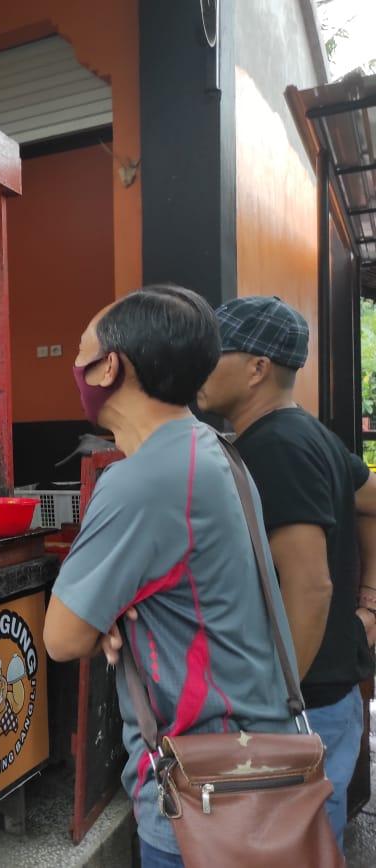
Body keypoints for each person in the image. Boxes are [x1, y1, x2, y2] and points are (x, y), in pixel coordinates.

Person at [44, 285, 302, 867]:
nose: (76, 368)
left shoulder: (141, 480)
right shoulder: (213, 449)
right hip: (257, 764)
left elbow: (62, 637)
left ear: (110, 368)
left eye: (81, 352)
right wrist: (112, 610)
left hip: (204, 792)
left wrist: (104, 614)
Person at [197, 295, 376, 847]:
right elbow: (371, 501)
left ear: (257, 368)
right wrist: (369, 600)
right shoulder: (309, 434)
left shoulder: (275, 448)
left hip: (304, 707)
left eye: (212, 354)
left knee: (294, 849)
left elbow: (310, 585)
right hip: (330, 695)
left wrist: (272, 707)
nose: (198, 367)